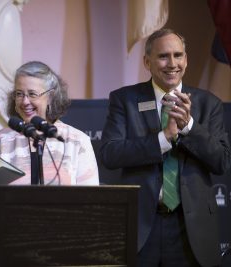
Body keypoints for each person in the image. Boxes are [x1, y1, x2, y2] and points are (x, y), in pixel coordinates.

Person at [99, 28, 231, 267]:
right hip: (141, 226)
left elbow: (221, 161)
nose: (172, 64)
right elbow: (110, 152)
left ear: (186, 60)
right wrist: (163, 138)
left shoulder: (208, 103)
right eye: (163, 56)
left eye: (178, 55)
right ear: (147, 62)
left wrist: (189, 127)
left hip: (191, 229)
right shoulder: (124, 99)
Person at [0, 61, 99, 185]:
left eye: (32, 94)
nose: (25, 101)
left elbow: (89, 198)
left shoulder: (78, 141)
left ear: (50, 97)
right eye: (19, 94)